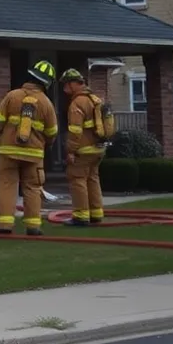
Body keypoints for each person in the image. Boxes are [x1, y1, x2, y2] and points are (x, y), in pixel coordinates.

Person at [0, 60, 59, 235]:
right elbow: (52, 132)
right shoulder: (46, 103)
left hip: (8, 151)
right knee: (33, 188)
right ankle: (33, 227)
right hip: (34, 154)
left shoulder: (12, 96)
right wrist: (46, 146)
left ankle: (4, 225)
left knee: (7, 185)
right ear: (47, 83)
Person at [60, 68, 106, 226]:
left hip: (83, 150)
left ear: (74, 84)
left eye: (66, 84)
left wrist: (70, 151)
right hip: (98, 149)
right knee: (93, 179)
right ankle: (96, 213)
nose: (64, 88)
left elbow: (75, 131)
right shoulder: (94, 99)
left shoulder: (77, 103)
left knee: (77, 180)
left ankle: (81, 216)